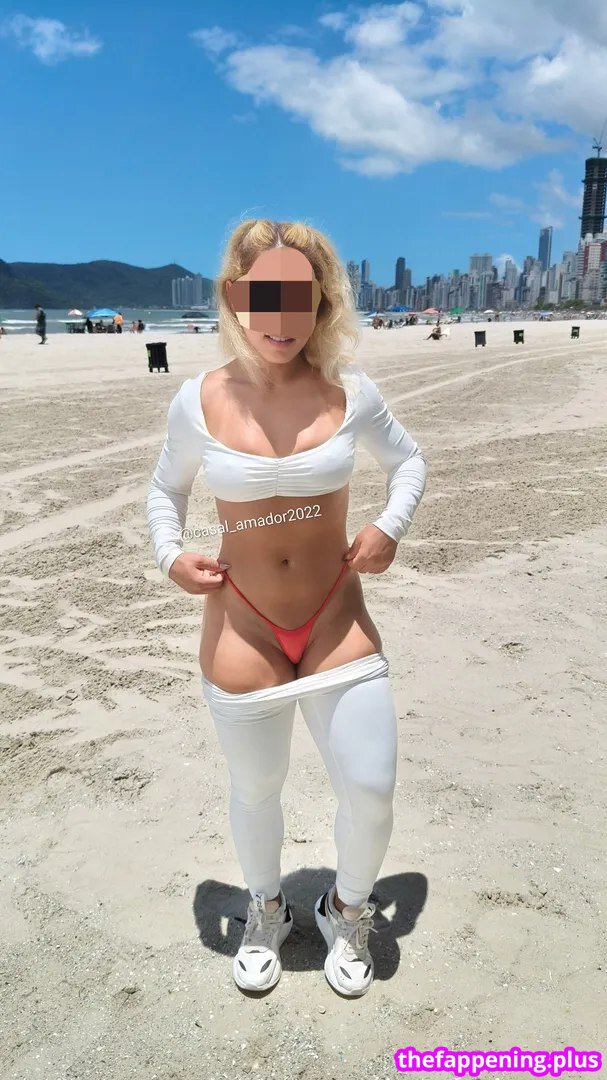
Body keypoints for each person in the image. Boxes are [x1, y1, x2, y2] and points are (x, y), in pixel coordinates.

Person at [146, 219, 427, 998]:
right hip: (242, 622)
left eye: (297, 298)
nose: (279, 319)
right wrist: (170, 556)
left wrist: (387, 527)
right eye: (262, 297)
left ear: (321, 304)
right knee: (256, 788)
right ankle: (265, 908)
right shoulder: (198, 400)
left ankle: (347, 908)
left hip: (336, 616)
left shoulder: (350, 392)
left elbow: (407, 464)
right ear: (234, 298)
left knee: (369, 790)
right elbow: (165, 490)